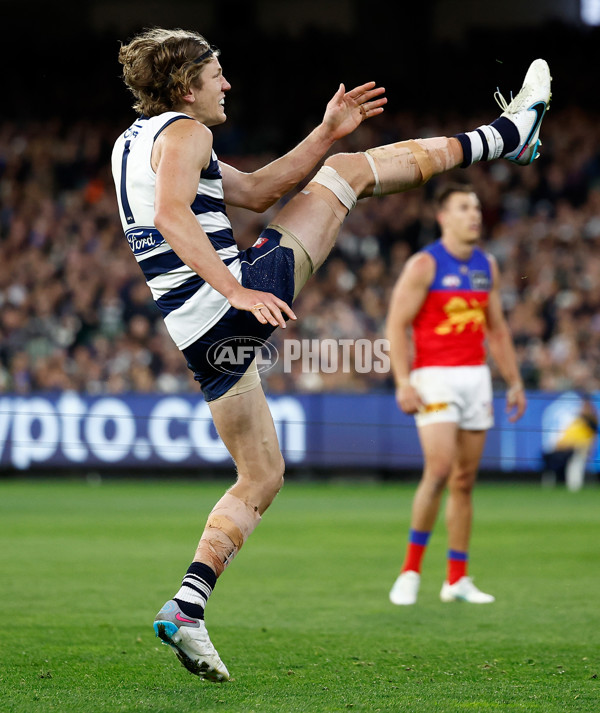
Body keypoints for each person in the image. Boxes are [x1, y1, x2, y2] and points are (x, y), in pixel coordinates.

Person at [111, 27, 550, 679]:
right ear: (185, 87)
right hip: (231, 301)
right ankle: (508, 136)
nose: (226, 84)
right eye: (216, 73)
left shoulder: (132, 143)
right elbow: (175, 217)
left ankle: (187, 605)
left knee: (261, 474)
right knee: (348, 177)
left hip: (200, 338)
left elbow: (258, 193)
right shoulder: (187, 133)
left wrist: (325, 132)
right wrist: (237, 287)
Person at [386, 183, 528, 607]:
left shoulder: (487, 265)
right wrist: (403, 381)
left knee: (464, 481)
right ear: (442, 216)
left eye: (478, 207)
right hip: (435, 377)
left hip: (475, 378)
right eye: (464, 207)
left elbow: (497, 328)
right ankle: (410, 571)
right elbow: (395, 324)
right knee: (441, 468)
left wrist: (515, 380)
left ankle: (456, 579)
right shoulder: (424, 265)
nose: (475, 215)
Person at [541, 392, 598, 491]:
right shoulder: (575, 419)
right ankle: (549, 486)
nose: (584, 408)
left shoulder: (591, 422)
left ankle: (574, 487)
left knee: (576, 457)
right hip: (565, 448)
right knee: (551, 458)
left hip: (579, 448)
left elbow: (590, 440)